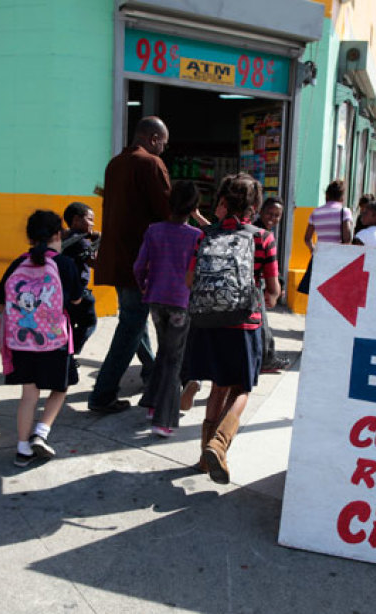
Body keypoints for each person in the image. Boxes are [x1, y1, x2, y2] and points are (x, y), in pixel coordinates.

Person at [184, 173, 281, 483]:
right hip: (244, 324)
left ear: (222, 201)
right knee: (241, 387)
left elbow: (189, 281)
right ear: (253, 205)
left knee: (218, 386)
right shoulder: (263, 237)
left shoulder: (205, 235)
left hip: (209, 323)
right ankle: (219, 444)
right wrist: (268, 296)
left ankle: (204, 457)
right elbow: (273, 289)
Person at [89, 116, 171, 413]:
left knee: (134, 319)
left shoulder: (115, 163)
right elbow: (167, 212)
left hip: (117, 257)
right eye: (162, 142)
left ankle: (152, 373)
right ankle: (102, 394)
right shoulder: (150, 164)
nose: (163, 148)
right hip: (140, 260)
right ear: (152, 138)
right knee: (131, 324)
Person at [0, 210, 83, 468]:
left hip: (22, 342)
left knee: (29, 394)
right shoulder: (64, 264)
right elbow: (77, 299)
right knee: (61, 387)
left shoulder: (17, 263)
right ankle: (41, 433)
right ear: (58, 235)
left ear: (30, 237)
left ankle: (22, 450)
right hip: (55, 340)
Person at [133, 181, 203, 437]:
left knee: (164, 351)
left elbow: (139, 266)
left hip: (156, 299)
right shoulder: (197, 236)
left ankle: (152, 403)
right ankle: (164, 419)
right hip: (181, 303)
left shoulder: (154, 230)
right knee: (174, 359)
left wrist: (143, 286)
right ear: (194, 207)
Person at [297, 179, 353, 295]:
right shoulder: (345, 212)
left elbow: (307, 238)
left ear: (326, 196)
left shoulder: (316, 212)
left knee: (317, 292)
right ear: (342, 198)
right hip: (338, 258)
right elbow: (347, 238)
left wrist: (314, 250)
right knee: (335, 294)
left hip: (320, 257)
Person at [253, 197, 289, 373]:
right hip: (256, 284)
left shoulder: (265, 232)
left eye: (277, 215)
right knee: (262, 323)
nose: (273, 218)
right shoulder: (261, 233)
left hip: (260, 284)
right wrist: (275, 288)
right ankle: (267, 358)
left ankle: (266, 356)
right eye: (269, 213)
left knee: (261, 323)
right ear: (260, 211)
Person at [61, 201, 100, 355]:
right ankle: (71, 351)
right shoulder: (81, 241)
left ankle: (66, 351)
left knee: (69, 323)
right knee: (89, 323)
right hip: (80, 293)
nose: (93, 223)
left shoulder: (66, 236)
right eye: (90, 219)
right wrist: (98, 241)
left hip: (65, 292)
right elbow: (94, 262)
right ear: (76, 220)